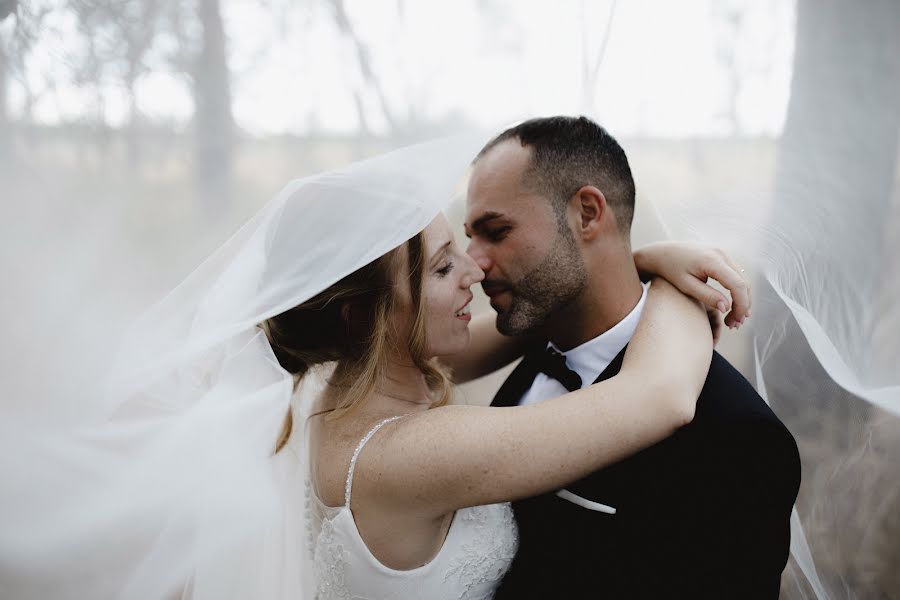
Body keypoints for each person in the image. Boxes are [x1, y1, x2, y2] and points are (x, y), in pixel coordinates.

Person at [464, 116, 802, 599]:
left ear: (586, 213)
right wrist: (642, 259)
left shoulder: (735, 436)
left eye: (495, 231)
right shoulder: (535, 339)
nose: (473, 262)